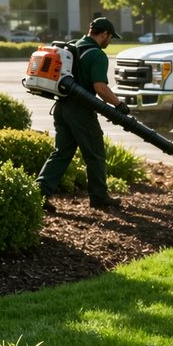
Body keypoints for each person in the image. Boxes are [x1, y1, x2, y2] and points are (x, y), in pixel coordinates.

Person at [36, 17, 128, 211]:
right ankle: (99, 198)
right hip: (81, 111)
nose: (109, 41)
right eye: (110, 37)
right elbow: (100, 87)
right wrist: (119, 104)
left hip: (61, 107)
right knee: (94, 153)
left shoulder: (71, 47)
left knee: (61, 153)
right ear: (103, 34)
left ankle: (39, 194)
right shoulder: (97, 55)